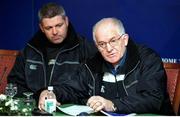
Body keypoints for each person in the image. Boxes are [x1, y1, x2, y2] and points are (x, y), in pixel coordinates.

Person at [70, 17, 174, 115]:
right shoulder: (92, 63)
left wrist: (112, 105)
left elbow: (153, 99)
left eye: (113, 41)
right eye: (102, 44)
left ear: (125, 40)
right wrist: (55, 94)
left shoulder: (148, 59)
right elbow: (72, 89)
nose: (109, 49)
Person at [7, 2, 97, 102]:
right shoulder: (30, 50)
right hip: (34, 108)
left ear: (66, 21)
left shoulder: (85, 48)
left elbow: (92, 87)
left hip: (70, 110)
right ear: (41, 28)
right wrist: (36, 99)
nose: (55, 32)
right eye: (49, 28)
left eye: (59, 25)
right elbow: (14, 85)